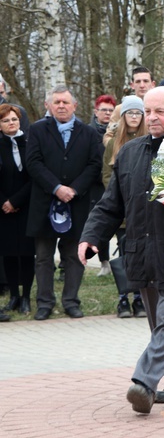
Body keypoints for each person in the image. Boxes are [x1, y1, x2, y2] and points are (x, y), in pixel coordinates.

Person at [79, 86, 164, 414]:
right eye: (147, 111)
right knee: (162, 326)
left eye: (159, 112)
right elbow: (112, 204)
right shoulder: (130, 152)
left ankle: (144, 382)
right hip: (143, 253)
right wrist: (91, 236)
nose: (151, 118)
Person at [26, 85, 103, 320]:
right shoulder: (37, 130)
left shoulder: (89, 133)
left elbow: (94, 165)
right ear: (48, 106)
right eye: (56, 102)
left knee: (74, 255)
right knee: (44, 257)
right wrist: (57, 188)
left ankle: (71, 301)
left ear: (75, 106)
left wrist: (74, 189)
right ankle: (44, 303)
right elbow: (33, 163)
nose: (61, 106)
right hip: (44, 203)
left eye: (65, 102)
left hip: (77, 203)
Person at [102, 96, 148, 319]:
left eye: (138, 113)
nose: (134, 117)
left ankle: (139, 298)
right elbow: (106, 174)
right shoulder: (114, 143)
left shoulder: (149, 140)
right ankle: (123, 298)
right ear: (123, 116)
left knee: (139, 255)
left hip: (142, 210)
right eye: (130, 113)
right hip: (123, 208)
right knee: (122, 253)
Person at [0, 104, 34, 316]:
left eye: (14, 119)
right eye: (6, 120)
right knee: (9, 254)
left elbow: (34, 177)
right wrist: (5, 202)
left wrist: (16, 200)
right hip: (3, 210)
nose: (11, 123)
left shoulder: (30, 144)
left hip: (27, 206)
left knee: (27, 254)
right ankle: (13, 295)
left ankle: (26, 297)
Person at [90, 95, 118, 278]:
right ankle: (104, 261)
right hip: (94, 185)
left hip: (113, 182)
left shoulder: (118, 131)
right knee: (100, 224)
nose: (107, 113)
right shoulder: (89, 132)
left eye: (110, 110)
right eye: (103, 110)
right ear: (96, 111)